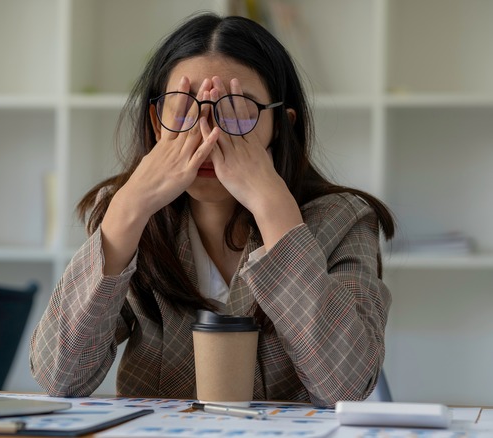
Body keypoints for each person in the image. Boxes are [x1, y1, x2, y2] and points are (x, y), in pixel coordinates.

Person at [29, 13, 394, 408]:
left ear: (281, 126)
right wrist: (127, 210)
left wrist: (276, 212)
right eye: (183, 108)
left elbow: (346, 387)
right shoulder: (129, 217)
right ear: (156, 123)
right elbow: (59, 378)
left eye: (236, 110)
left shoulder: (344, 219)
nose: (207, 133)